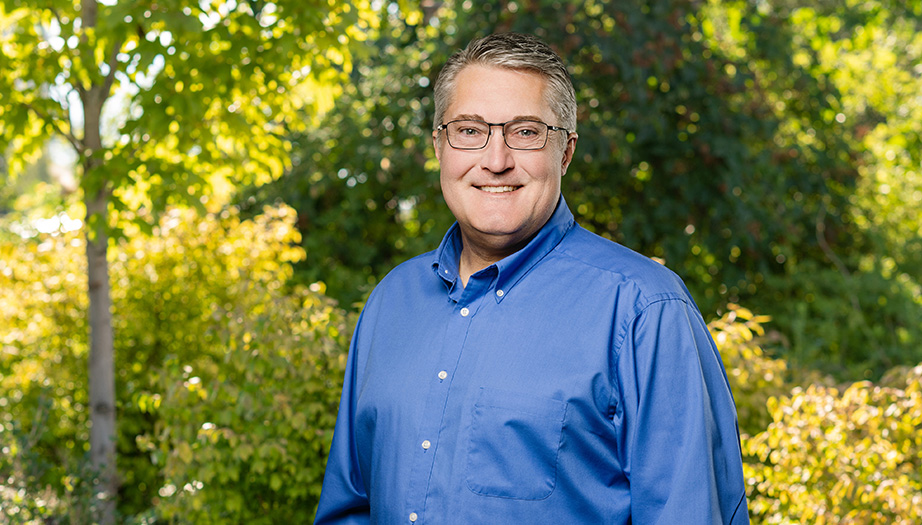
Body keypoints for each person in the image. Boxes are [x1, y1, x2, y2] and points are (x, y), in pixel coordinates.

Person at [314, 32, 749, 524]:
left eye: (525, 132)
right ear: (439, 146)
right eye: (470, 131)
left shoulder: (644, 310)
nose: (496, 161)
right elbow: (349, 508)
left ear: (565, 152)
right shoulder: (392, 302)